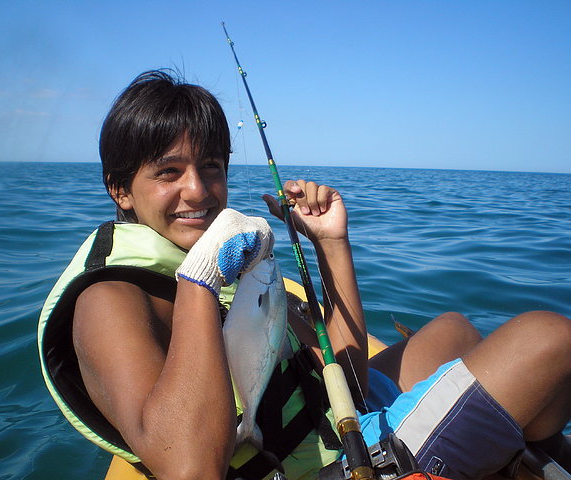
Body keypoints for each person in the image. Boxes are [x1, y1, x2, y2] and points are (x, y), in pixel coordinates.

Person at [38, 69, 571, 480]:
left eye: (212, 167)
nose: (198, 190)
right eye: (168, 173)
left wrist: (331, 244)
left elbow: (350, 380)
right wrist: (201, 278)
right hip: (319, 464)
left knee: (454, 327)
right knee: (553, 340)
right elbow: (190, 468)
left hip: (334, 418)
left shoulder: (225, 265)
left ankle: (519, 434)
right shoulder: (109, 298)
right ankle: (524, 447)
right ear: (120, 189)